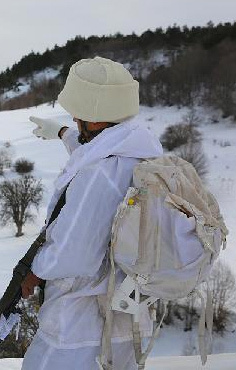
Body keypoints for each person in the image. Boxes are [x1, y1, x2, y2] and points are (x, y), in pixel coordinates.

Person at [21, 57, 163, 370]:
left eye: (78, 116)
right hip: (128, 321)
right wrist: (61, 133)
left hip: (80, 328)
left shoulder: (101, 174)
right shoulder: (141, 151)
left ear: (96, 119)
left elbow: (73, 255)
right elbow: (97, 153)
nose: (74, 119)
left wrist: (34, 270)